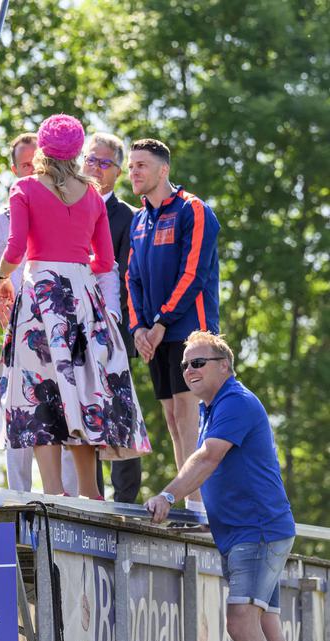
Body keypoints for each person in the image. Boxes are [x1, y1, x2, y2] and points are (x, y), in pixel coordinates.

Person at [0, 114, 150, 498]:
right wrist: (76, 264)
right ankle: (90, 492)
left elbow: (15, 249)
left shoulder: (25, 188)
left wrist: (1, 278)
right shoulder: (93, 194)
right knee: (80, 389)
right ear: (78, 152)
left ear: (43, 150)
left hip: (41, 298)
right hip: (82, 297)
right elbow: (105, 260)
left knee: (41, 391)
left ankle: (53, 492)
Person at [146, 331, 295, 641]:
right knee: (266, 625)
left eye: (198, 362)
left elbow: (208, 458)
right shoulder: (213, 408)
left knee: (241, 623)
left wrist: (169, 495)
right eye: (185, 365)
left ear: (224, 366)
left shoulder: (234, 402)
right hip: (253, 531)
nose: (188, 370)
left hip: (257, 532)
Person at [127, 138, 220, 513]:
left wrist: (163, 321)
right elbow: (131, 278)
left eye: (141, 166)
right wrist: (138, 329)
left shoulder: (192, 209)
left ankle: (202, 508)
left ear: (163, 170)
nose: (133, 172)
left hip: (190, 331)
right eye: (131, 166)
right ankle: (191, 503)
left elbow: (194, 272)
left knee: (188, 414)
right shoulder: (138, 218)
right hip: (153, 334)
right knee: (171, 416)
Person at [0, 132, 78, 495]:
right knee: (17, 411)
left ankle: (70, 500)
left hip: (60, 326)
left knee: (66, 410)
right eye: (25, 165)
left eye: (37, 163)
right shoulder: (2, 218)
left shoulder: (67, 205)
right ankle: (18, 499)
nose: (32, 170)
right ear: (15, 169)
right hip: (19, 328)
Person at [81, 132, 142, 503]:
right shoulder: (69, 204)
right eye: (91, 160)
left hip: (114, 325)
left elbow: (124, 276)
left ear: (117, 172)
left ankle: (125, 500)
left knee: (119, 411)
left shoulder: (129, 218)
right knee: (83, 411)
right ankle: (91, 497)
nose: (96, 169)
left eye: (105, 163)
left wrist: (117, 325)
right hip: (72, 326)